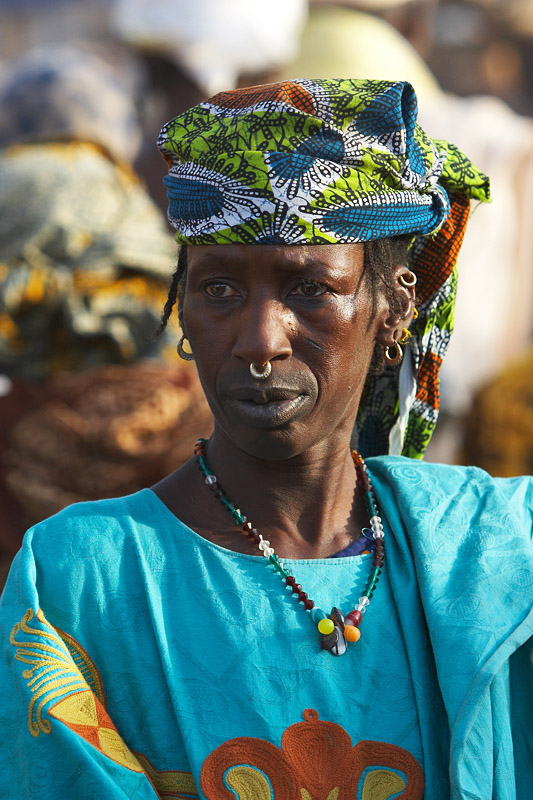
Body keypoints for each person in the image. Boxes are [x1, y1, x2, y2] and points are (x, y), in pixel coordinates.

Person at [0, 79, 531, 800]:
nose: (258, 341)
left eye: (309, 289)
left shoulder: (494, 545)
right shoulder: (78, 578)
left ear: (394, 307)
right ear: (182, 307)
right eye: (219, 289)